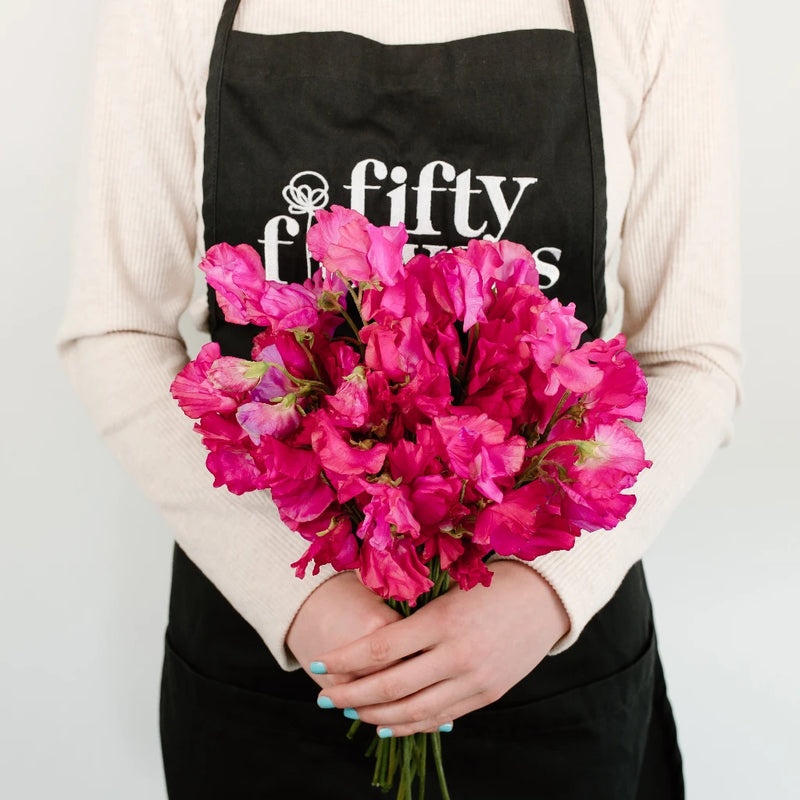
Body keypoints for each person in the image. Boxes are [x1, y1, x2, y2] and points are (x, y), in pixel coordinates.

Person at [57, 0, 741, 797]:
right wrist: (298, 598)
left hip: (547, 663)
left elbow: (690, 359)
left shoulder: (656, 12)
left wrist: (550, 595)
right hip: (278, 652)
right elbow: (116, 331)